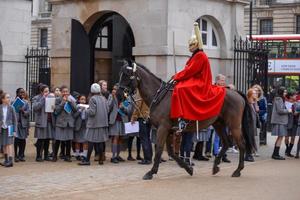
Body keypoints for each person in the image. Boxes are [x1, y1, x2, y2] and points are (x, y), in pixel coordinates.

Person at [170, 22, 226, 132]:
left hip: (201, 81)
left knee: (181, 88)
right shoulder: (195, 55)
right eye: (189, 45)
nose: (189, 47)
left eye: (191, 45)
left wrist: (177, 76)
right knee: (178, 86)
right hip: (195, 78)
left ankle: (183, 118)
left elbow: (190, 71)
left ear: (196, 45)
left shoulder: (200, 55)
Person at [79, 83, 109, 166]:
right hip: (103, 123)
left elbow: (92, 112)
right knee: (100, 142)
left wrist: (85, 109)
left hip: (94, 124)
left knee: (90, 142)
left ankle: (87, 160)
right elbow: (107, 109)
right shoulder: (103, 98)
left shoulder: (92, 99)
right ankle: (101, 160)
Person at [52, 86, 78, 162]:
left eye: (67, 92)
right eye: (63, 92)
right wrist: (63, 102)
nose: (65, 93)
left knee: (68, 140)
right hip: (60, 123)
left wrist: (70, 101)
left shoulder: (72, 100)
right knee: (57, 140)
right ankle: (54, 156)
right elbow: (56, 111)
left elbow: (75, 109)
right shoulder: (57, 100)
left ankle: (67, 156)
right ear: (60, 92)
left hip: (69, 123)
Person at [108, 84, 132, 164]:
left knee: (121, 137)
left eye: (116, 89)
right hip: (114, 120)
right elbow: (108, 107)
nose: (115, 90)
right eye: (114, 89)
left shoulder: (126, 98)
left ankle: (118, 155)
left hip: (122, 120)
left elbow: (129, 110)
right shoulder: (111, 96)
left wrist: (123, 107)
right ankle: (113, 156)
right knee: (115, 136)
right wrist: (112, 98)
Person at [32, 84, 54, 162]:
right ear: (41, 92)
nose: (47, 93)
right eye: (45, 91)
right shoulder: (36, 98)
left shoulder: (51, 97)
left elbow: (52, 108)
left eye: (48, 91)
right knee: (40, 139)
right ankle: (38, 156)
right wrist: (43, 99)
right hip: (41, 121)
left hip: (49, 121)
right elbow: (35, 108)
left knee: (47, 139)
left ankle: (46, 156)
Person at [131, 90, 152, 164]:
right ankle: (149, 157)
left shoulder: (141, 92)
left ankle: (147, 158)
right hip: (149, 117)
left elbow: (138, 105)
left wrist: (134, 117)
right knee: (148, 138)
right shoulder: (149, 90)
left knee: (144, 138)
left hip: (142, 116)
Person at [271, 87, 291, 160]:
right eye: (284, 92)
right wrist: (288, 110)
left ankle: (275, 153)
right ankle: (276, 154)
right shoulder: (279, 99)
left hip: (280, 121)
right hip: (280, 121)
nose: (286, 93)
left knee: (280, 137)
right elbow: (280, 110)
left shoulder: (279, 99)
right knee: (280, 137)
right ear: (281, 92)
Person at [13, 88, 30, 162]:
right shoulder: (13, 102)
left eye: (23, 93)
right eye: (20, 93)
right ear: (17, 93)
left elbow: (28, 112)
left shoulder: (26, 102)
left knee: (23, 140)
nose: (22, 94)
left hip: (23, 124)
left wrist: (23, 111)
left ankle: (21, 155)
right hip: (16, 124)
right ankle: (16, 155)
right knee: (16, 140)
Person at [0, 92, 17, 167]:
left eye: (9, 97)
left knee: (9, 144)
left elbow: (15, 120)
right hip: (2, 128)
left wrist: (14, 130)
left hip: (10, 127)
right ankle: (6, 159)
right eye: (7, 97)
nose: (9, 99)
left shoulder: (11, 107)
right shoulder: (0, 107)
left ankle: (10, 161)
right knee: (4, 144)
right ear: (3, 99)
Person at [245, 88, 259, 162]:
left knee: (252, 138)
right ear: (250, 94)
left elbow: (256, 112)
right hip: (248, 124)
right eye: (254, 93)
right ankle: (248, 154)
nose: (255, 94)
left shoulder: (254, 103)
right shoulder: (247, 103)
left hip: (253, 124)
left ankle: (251, 152)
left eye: (256, 93)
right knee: (249, 139)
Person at [74, 94, 88, 161]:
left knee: (85, 141)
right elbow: (74, 116)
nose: (83, 100)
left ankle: (84, 154)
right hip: (78, 125)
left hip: (85, 125)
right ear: (79, 100)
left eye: (84, 99)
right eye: (81, 99)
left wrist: (86, 110)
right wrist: (79, 111)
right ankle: (77, 154)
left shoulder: (88, 107)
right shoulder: (76, 107)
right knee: (78, 140)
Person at [284, 91, 297, 157]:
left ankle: (289, 151)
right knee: (286, 137)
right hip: (287, 122)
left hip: (294, 122)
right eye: (294, 95)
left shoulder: (296, 103)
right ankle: (287, 148)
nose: (296, 96)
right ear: (291, 96)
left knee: (293, 137)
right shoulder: (285, 103)